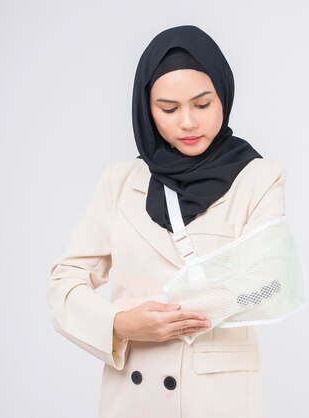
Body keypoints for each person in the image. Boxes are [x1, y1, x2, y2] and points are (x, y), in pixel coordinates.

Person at [46, 25, 288, 418]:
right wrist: (122, 325)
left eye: (203, 104)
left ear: (223, 95)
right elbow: (63, 283)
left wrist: (170, 313)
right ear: (147, 109)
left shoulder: (259, 178)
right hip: (134, 398)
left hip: (218, 400)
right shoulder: (120, 183)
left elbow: (269, 281)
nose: (188, 122)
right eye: (169, 109)